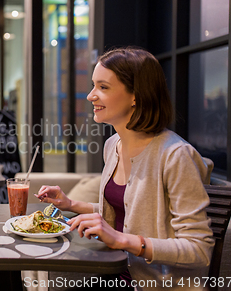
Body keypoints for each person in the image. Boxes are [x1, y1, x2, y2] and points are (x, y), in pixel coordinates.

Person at [36, 47, 214, 290]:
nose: (90, 96)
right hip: (118, 275)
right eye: (93, 85)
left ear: (136, 96)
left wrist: (122, 239)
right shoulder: (112, 146)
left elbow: (199, 249)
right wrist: (72, 205)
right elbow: (132, 211)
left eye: (103, 87)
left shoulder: (175, 155)